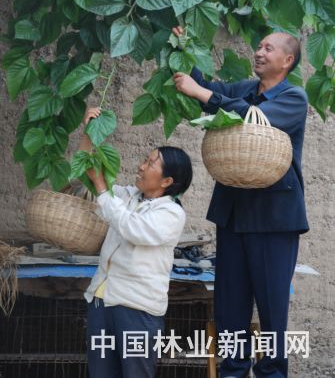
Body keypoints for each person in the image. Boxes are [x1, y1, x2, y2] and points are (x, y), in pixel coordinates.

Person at [172, 27, 309, 378]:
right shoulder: (245, 89)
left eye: (268, 48)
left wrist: (202, 91)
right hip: (233, 214)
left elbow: (253, 118)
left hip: (274, 219)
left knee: (271, 308)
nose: (259, 52)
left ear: (287, 60)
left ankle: (273, 373)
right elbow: (210, 92)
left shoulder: (294, 98)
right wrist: (187, 46)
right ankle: (233, 372)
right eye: (259, 46)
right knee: (230, 307)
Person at [78, 107, 193, 378]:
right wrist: (88, 132)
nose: (141, 166)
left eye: (150, 163)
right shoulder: (129, 196)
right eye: (145, 159)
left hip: (137, 311)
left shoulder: (171, 214)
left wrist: (104, 189)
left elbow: (131, 228)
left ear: (167, 180)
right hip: (101, 302)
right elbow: (86, 175)